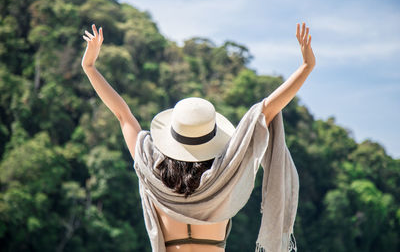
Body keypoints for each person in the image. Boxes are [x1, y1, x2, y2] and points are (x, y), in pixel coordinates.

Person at [81, 22, 315, 252]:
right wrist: (305, 67)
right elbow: (265, 111)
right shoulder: (224, 176)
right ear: (211, 139)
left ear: (173, 138)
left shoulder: (153, 172)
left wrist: (90, 67)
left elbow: (123, 116)